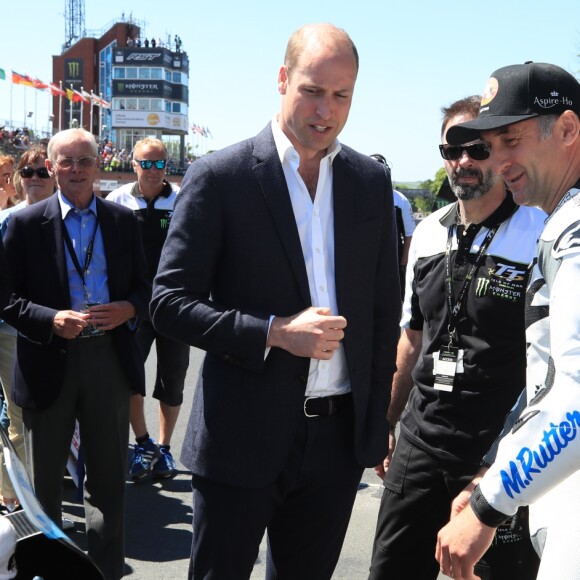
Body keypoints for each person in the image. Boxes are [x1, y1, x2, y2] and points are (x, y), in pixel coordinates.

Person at [150, 23, 400, 579]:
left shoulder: (369, 181)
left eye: (342, 96)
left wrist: (376, 416)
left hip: (336, 446)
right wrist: (273, 331)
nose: (325, 110)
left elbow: (384, 311)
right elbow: (168, 301)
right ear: (283, 79)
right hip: (241, 438)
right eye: (313, 90)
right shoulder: (221, 176)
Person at [368, 96, 545, 580]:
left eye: (477, 149)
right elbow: (412, 338)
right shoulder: (427, 233)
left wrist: (503, 464)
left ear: (502, 153)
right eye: (451, 150)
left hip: (499, 452)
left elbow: (554, 366)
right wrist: (386, 419)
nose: (463, 161)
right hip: (421, 442)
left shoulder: (541, 232)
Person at [435, 62, 580, 580]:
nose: (497, 159)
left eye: (510, 140)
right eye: (489, 144)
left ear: (567, 130)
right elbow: (549, 383)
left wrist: (488, 506)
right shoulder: (561, 220)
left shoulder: (574, 229)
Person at [2, 128, 150, 580]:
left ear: (99, 165)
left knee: (107, 478)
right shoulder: (25, 225)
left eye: (85, 160)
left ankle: (104, 571)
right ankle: (54, 570)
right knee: (45, 480)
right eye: (67, 161)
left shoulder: (124, 223)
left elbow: (149, 289)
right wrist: (50, 319)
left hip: (108, 360)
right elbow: (5, 296)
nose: (77, 169)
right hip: (50, 361)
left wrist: (128, 308)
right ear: (51, 167)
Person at [107, 138, 189, 481]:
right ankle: (142, 445)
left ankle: (165, 448)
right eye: (146, 163)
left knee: (172, 381)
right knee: (130, 378)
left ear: (166, 167)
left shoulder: (182, 200)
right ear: (134, 163)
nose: (153, 170)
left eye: (159, 164)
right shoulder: (117, 200)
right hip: (133, 306)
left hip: (174, 305)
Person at [0, 145, 57, 516]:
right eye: (27, 172)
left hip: (26, 330)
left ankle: (19, 498)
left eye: (41, 172)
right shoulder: (6, 219)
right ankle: (10, 498)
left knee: (22, 416)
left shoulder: (65, 220)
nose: (33, 178)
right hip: (8, 327)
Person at [369, 154, 416, 299]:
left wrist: (403, 264)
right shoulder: (356, 196)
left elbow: (410, 234)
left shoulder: (400, 199)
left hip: (392, 262)